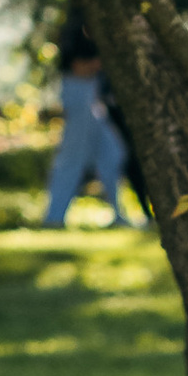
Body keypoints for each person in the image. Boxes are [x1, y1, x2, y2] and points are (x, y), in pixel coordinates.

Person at [43, 22, 129, 227]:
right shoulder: (74, 33)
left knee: (113, 153)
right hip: (78, 94)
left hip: (93, 96)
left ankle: (118, 214)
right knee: (72, 159)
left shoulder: (93, 33)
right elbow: (75, 66)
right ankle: (54, 217)